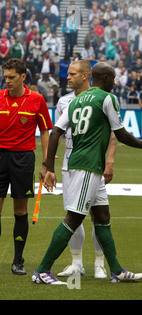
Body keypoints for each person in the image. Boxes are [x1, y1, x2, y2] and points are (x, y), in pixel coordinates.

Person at [32, 62, 142, 285]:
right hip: (87, 166)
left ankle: (117, 270)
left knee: (102, 217)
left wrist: (49, 166)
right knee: (74, 217)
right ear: (107, 79)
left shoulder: (75, 101)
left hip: (84, 165)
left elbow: (55, 134)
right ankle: (42, 270)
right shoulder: (107, 98)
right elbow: (119, 134)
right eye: (114, 79)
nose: (115, 82)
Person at [54, 60, 116, 279]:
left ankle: (100, 263)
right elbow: (57, 133)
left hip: (94, 163)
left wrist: (110, 161)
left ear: (86, 75)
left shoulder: (101, 98)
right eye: (67, 74)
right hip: (70, 164)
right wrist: (49, 164)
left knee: (99, 214)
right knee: (74, 214)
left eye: (72, 74)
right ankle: (76, 262)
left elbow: (113, 132)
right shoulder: (63, 101)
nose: (67, 77)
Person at [0, 58, 53, 275]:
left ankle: (17, 260)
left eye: (12, 77)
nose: (7, 81)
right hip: (0, 157)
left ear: (23, 77)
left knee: (20, 211)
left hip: (23, 159)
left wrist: (46, 164)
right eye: (5, 77)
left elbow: (45, 131)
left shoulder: (37, 100)